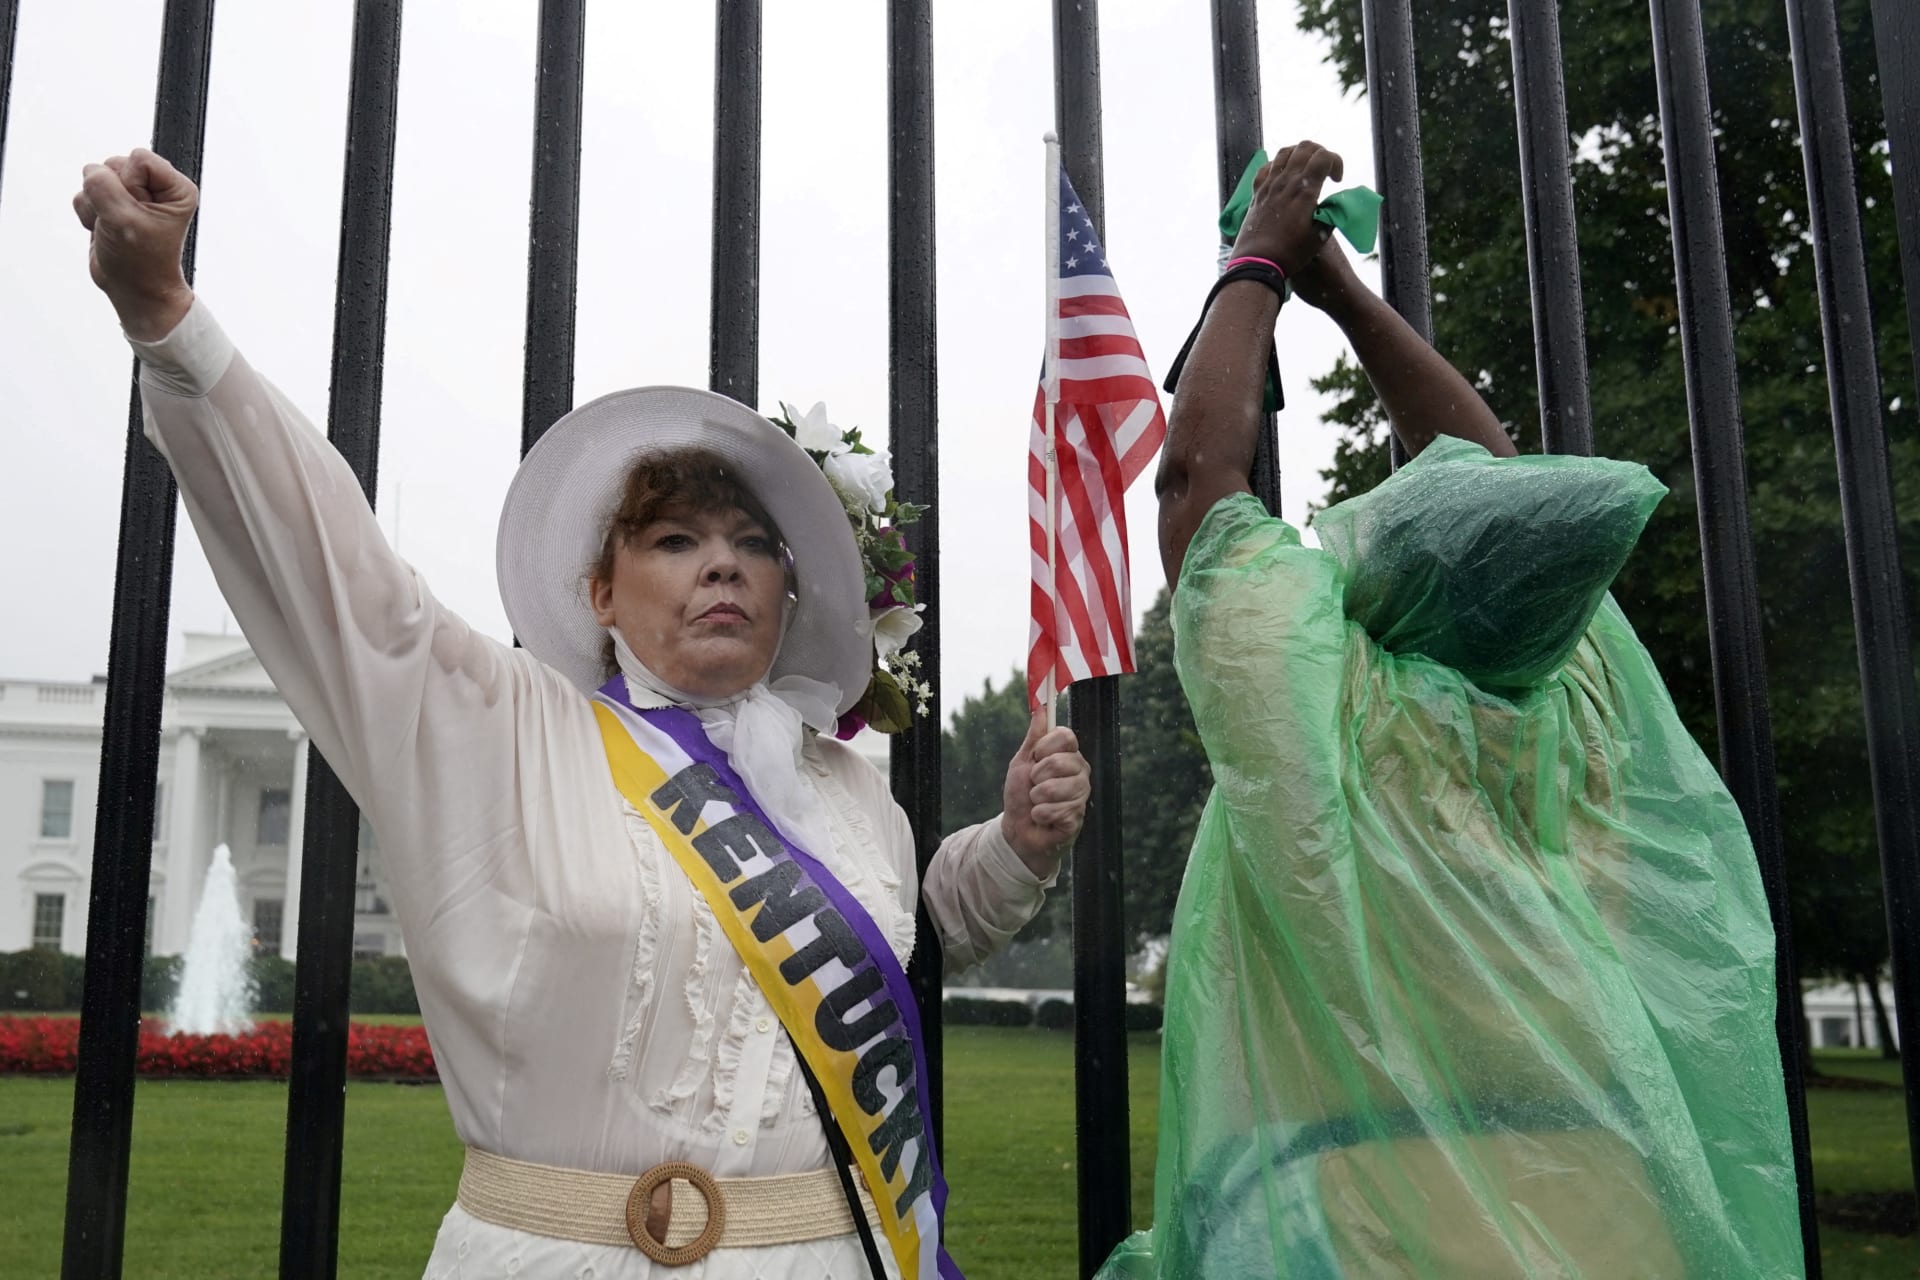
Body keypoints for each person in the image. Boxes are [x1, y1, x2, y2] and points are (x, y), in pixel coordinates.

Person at [75, 147, 1091, 1279]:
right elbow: (336, 571)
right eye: (676, 540)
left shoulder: (847, 787)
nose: (725, 567)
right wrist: (168, 315)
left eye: (754, 546)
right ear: (600, 591)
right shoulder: (502, 729)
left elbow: (916, 929)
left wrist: (1018, 843)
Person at [1102, 142, 1802, 1277]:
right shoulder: (1580, 708)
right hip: (1605, 1200)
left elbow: (1197, 486)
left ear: (1400, 581)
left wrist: (1261, 263)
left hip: (1368, 1210)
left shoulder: (1334, 710)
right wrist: (1345, 291)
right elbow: (1501, 487)